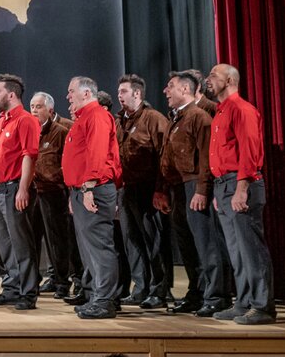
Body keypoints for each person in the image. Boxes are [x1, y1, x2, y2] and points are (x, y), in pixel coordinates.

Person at [206, 64, 276, 325]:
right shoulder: (221, 111)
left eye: (214, 75)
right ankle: (244, 301)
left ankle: (263, 306)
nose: (208, 78)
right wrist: (219, 189)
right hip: (224, 185)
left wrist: (241, 188)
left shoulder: (241, 109)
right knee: (236, 251)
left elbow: (249, 151)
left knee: (251, 249)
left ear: (230, 80)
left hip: (240, 182)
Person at [155, 70, 228, 317]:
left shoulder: (199, 117)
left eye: (171, 86)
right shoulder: (177, 118)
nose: (166, 91)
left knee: (206, 244)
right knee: (187, 245)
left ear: (185, 89)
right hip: (178, 188)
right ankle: (197, 292)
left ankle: (216, 295)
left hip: (194, 185)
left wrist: (202, 190)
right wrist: (163, 189)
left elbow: (207, 157)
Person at [62, 76, 122, 319]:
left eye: (71, 91)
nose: (68, 96)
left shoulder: (96, 115)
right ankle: (98, 296)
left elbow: (97, 155)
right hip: (83, 190)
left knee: (100, 248)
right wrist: (75, 192)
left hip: (94, 189)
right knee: (89, 250)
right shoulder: (83, 118)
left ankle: (105, 300)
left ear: (86, 93)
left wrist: (87, 189)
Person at [0, 74, 40, 310]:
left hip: (13, 189)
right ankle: (11, 287)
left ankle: (28, 293)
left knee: (21, 243)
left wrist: (23, 189)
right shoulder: (0, 123)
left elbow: (30, 155)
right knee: (4, 244)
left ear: (11, 94)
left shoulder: (25, 120)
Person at [115, 74, 170, 309]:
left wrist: (160, 190)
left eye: (124, 92)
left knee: (154, 240)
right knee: (132, 240)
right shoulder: (119, 121)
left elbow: (165, 158)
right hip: (127, 189)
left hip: (149, 188)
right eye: (118, 92)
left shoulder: (154, 119)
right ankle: (141, 287)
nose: (119, 96)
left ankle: (160, 289)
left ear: (137, 93)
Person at [29, 92, 77, 299]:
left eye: (38, 106)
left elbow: (69, 164)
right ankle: (35, 281)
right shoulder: (29, 130)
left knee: (56, 240)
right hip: (32, 191)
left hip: (54, 192)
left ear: (49, 110)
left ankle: (62, 282)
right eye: (31, 106)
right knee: (31, 239)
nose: (34, 110)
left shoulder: (61, 131)